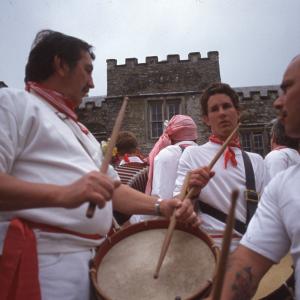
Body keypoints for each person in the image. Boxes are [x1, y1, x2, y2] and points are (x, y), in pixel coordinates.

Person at [0, 30, 200, 300]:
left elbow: (113, 189)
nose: (92, 84)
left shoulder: (81, 130)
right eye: (87, 70)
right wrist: (64, 194)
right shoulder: (13, 104)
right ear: (60, 65)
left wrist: (160, 206)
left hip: (94, 264)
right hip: (40, 262)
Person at [212, 54, 300, 300]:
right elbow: (247, 262)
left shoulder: (261, 163)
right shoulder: (282, 186)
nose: (277, 102)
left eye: (288, 88)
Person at [174, 82, 266, 251]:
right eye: (215, 109)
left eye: (226, 106)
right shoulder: (193, 155)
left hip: (248, 252)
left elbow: (267, 212)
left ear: (237, 112)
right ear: (206, 119)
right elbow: (179, 209)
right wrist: (191, 192)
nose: (222, 113)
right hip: (207, 250)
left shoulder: (256, 161)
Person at [130, 114, 198, 223]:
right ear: (195, 135)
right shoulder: (203, 154)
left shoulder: (166, 155)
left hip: (169, 226)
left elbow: (160, 197)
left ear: (172, 135)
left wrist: (134, 223)